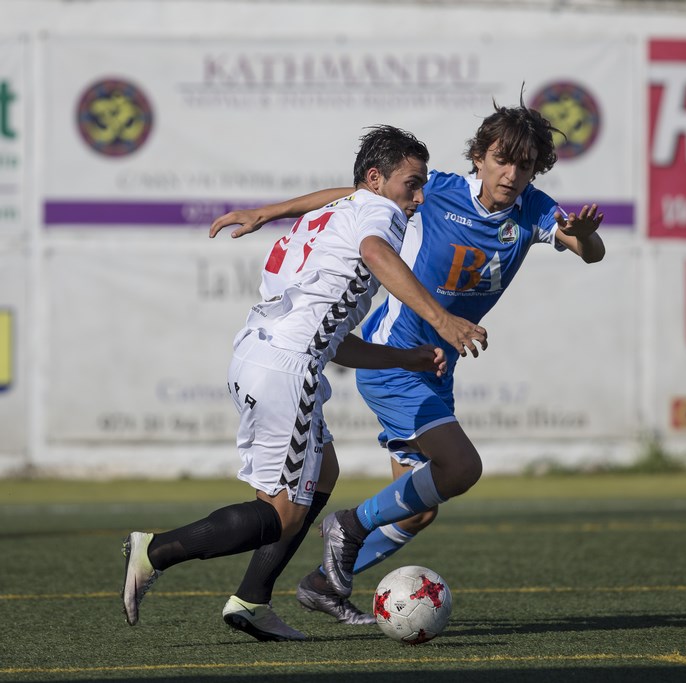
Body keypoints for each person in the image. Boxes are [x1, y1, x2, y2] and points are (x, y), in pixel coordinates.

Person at [209, 98, 605, 639]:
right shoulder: (438, 188)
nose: (512, 174)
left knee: (418, 510)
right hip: (395, 357)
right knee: (460, 468)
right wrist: (268, 211)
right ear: (479, 157)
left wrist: (583, 235)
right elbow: (351, 197)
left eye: (526, 164)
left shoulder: (534, 209)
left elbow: (591, 251)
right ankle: (345, 527)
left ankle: (324, 583)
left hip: (436, 367)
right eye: (502, 159)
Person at [121, 125, 489, 641]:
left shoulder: (339, 210)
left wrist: (404, 356)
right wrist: (442, 319)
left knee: (321, 474)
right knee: (281, 515)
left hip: (261, 354)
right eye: (412, 184)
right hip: (285, 371)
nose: (419, 197)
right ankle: (155, 551)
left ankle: (251, 600)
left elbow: (336, 341)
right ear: (377, 179)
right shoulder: (378, 214)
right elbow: (379, 257)